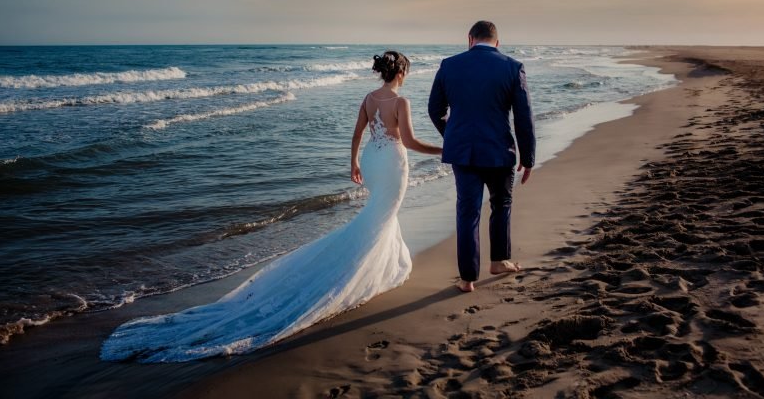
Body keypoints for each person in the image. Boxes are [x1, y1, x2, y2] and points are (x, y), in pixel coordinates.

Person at [100, 50, 441, 363]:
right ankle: (359, 271)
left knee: (377, 215)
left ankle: (387, 263)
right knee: (381, 216)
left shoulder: (368, 98)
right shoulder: (401, 102)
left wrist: (353, 164)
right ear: (401, 73)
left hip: (371, 160)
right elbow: (409, 142)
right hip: (393, 163)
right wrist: (443, 150)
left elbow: (356, 135)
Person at [428, 21, 535, 293]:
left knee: (467, 211)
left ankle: (467, 279)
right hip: (499, 150)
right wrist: (528, 156)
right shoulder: (512, 67)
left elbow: (434, 109)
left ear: (470, 39)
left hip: (462, 152)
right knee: (502, 204)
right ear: (497, 42)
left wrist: (452, 134)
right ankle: (499, 261)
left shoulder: (449, 65)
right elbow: (524, 116)